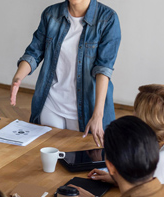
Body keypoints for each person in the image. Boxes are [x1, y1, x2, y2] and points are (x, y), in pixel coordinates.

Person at [10, 0, 121, 147]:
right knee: (44, 158)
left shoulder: (108, 18)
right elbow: (34, 53)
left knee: (81, 162)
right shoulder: (51, 14)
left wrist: (98, 114)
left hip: (87, 108)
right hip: (51, 103)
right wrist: (18, 78)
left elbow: (103, 69)